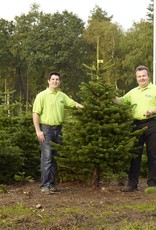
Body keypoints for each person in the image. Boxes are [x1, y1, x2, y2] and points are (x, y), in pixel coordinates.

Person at [33, 71, 84, 195]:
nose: (55, 81)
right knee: (47, 158)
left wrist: (86, 107)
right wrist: (38, 130)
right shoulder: (42, 95)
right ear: (48, 81)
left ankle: (52, 185)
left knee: (55, 158)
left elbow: (73, 103)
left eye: (57, 80)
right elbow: (35, 113)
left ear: (59, 82)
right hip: (46, 130)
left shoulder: (62, 96)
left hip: (58, 130)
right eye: (53, 79)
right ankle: (45, 186)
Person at [114, 65, 156, 192]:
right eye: (139, 76)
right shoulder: (133, 92)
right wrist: (109, 96)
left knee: (153, 154)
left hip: (152, 124)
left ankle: (152, 184)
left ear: (148, 76)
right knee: (135, 154)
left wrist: (153, 111)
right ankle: (132, 184)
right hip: (136, 125)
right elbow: (121, 101)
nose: (141, 78)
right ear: (136, 78)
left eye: (144, 76)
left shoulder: (154, 89)